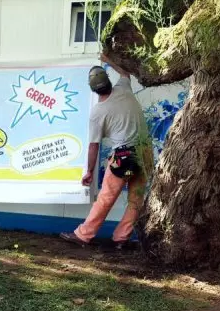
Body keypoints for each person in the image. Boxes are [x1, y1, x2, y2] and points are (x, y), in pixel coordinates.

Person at [60, 53, 153, 249]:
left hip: (123, 158)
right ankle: (121, 238)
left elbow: (94, 145)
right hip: (144, 153)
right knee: (136, 198)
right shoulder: (124, 89)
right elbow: (125, 72)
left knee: (106, 198)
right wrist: (107, 58)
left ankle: (84, 235)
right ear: (109, 82)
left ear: (93, 90)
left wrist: (89, 171)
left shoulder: (98, 113)